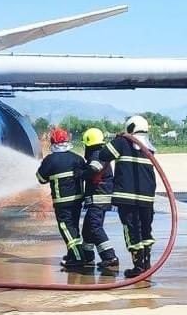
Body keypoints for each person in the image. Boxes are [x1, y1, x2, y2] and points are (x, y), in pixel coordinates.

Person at [95, 115, 157, 277]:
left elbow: (103, 155)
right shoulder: (149, 147)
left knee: (131, 230)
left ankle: (138, 266)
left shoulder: (123, 142)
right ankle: (146, 264)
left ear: (130, 128)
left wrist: (118, 139)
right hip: (147, 198)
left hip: (127, 197)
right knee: (145, 230)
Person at [36, 127, 90, 269]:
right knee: (73, 227)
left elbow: (41, 178)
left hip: (62, 202)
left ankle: (78, 258)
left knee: (66, 227)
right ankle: (72, 254)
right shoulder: (77, 158)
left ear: (53, 142)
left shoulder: (50, 160)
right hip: (78, 200)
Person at [80, 127, 120, 271]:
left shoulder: (98, 155)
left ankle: (110, 257)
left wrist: (80, 174)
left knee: (95, 228)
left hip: (99, 198)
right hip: (96, 198)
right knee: (87, 230)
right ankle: (87, 256)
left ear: (88, 143)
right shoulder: (99, 154)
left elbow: (93, 169)